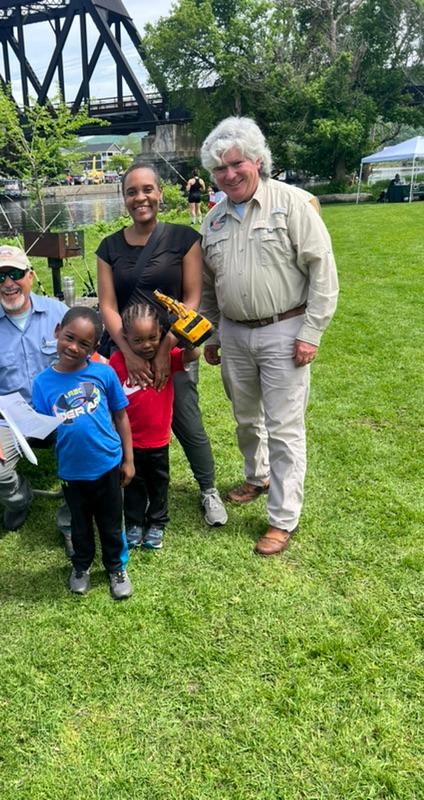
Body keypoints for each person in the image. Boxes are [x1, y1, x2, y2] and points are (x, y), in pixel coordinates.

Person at [199, 116, 339, 556]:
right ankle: (257, 477)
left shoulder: (292, 203)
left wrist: (311, 331)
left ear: (257, 160)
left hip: (285, 330)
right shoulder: (213, 220)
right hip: (234, 334)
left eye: (236, 164)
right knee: (245, 418)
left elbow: (322, 270)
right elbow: (209, 286)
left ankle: (282, 518)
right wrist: (211, 335)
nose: (229, 175)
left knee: (284, 427)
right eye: (219, 169)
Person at [96, 163, 227, 528]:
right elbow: (107, 305)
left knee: (186, 418)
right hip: (125, 352)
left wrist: (167, 348)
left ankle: (208, 489)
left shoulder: (184, 239)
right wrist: (128, 352)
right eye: (132, 192)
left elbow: (192, 298)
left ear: (160, 193)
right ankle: (120, 486)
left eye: (147, 189)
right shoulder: (109, 247)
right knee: (121, 420)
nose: (141, 198)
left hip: (173, 346)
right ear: (124, 198)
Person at [0, 244, 69, 535]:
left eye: (15, 274)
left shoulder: (59, 313)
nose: (8, 283)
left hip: (60, 412)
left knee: (92, 447)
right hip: (9, 419)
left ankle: (72, 515)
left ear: (30, 275)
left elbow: (84, 363)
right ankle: (19, 499)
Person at [32, 307, 135, 600]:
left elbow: (121, 416)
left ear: (94, 347)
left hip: (107, 465)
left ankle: (116, 567)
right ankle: (81, 566)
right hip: (72, 471)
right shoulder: (42, 383)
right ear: (57, 332)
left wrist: (128, 460)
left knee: (111, 524)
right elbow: (44, 428)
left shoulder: (103, 373)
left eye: (84, 344)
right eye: (69, 337)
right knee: (79, 525)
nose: (74, 347)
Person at [109, 303, 199, 551]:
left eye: (152, 337)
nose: (147, 345)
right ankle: (135, 523)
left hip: (158, 440)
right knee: (132, 483)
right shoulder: (117, 362)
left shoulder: (167, 357)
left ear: (161, 332)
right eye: (138, 340)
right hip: (129, 441)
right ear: (125, 338)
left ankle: (157, 522)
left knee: (158, 483)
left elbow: (192, 356)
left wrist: (185, 340)